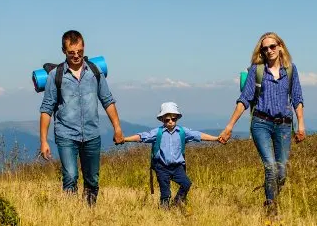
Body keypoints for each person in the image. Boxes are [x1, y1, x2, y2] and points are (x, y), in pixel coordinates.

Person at [218, 32, 306, 214]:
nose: (269, 50)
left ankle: (272, 196)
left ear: (280, 46)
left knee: (281, 172)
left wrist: (301, 125)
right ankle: (271, 209)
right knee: (271, 168)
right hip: (261, 123)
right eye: (265, 48)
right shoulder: (256, 71)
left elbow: (297, 98)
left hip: (284, 125)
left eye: (272, 46)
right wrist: (229, 126)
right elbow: (245, 99)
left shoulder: (290, 70)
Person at [39, 30, 125, 206]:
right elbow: (46, 109)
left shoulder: (95, 71)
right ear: (64, 51)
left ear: (84, 48)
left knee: (92, 179)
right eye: (72, 52)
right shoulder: (55, 75)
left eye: (80, 51)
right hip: (66, 135)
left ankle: (88, 213)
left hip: (92, 134)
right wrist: (43, 141)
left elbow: (107, 100)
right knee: (70, 176)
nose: (76, 56)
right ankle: (72, 216)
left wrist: (117, 128)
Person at [122, 102, 222, 209]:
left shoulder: (182, 132)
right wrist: (124, 139)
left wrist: (216, 139)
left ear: (177, 118)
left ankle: (177, 202)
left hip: (177, 167)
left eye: (173, 119)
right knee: (165, 193)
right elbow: (142, 137)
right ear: (162, 119)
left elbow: (199, 135)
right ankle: (164, 212)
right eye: (167, 120)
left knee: (186, 184)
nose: (171, 122)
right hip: (161, 167)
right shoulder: (157, 132)